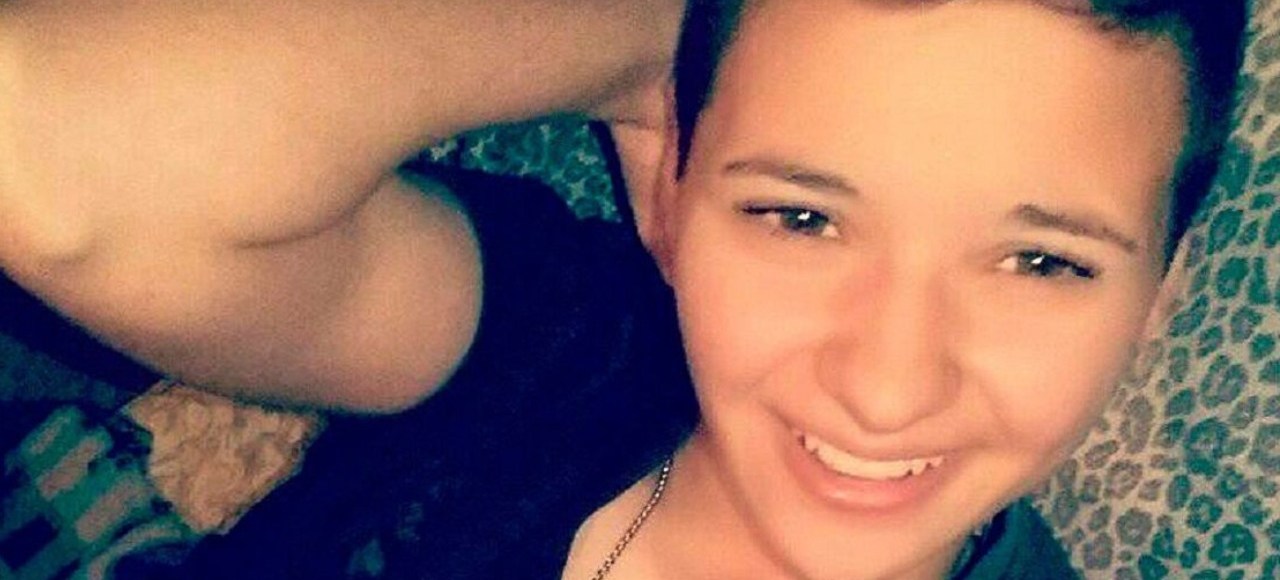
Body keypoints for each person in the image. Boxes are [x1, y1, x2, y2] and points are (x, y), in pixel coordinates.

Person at [0, 0, 1246, 578]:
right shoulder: (570, 352)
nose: (883, 385)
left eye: (1041, 262)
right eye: (799, 215)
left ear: (1158, 291)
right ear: (671, 189)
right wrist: (655, 40)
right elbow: (51, 168)